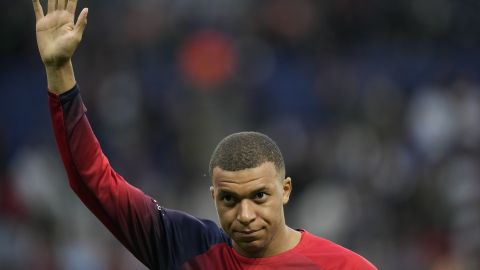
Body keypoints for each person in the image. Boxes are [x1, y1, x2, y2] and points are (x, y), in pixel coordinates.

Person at [32, 0, 377, 269]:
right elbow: (93, 181)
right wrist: (60, 72)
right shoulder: (187, 248)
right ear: (214, 197)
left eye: (259, 196)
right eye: (230, 199)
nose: (244, 215)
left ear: (284, 190)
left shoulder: (342, 267)